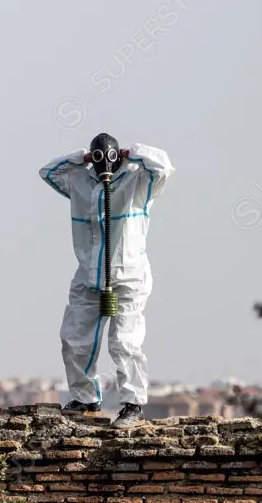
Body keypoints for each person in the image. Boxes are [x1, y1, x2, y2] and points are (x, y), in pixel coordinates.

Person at [39, 133, 174, 428]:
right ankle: (85, 399)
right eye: (98, 158)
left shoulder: (138, 181)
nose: (104, 166)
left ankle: (133, 404)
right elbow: (48, 172)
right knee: (74, 338)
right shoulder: (80, 180)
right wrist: (83, 157)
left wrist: (131, 153)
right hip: (88, 275)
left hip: (128, 276)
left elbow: (163, 166)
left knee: (124, 341)